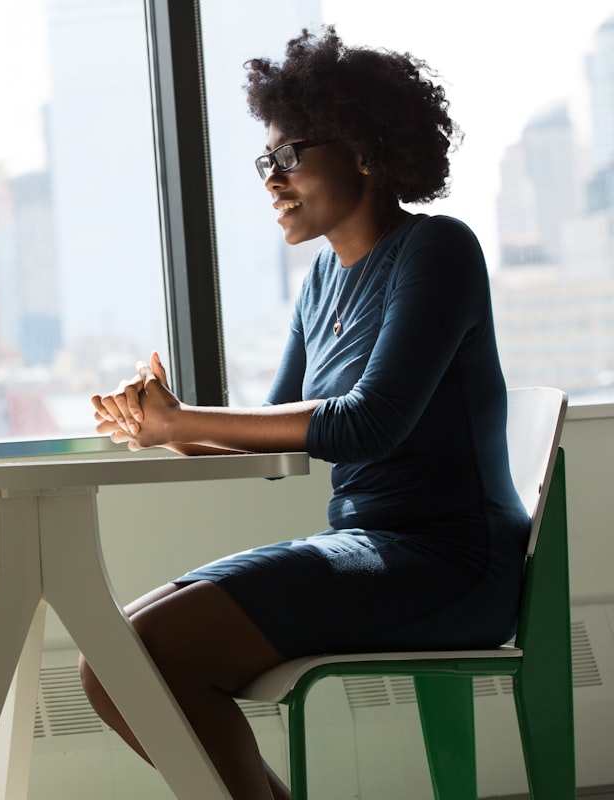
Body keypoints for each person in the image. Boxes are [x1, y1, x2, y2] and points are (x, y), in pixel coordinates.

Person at [83, 27, 528, 800]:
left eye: (289, 157)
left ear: (362, 148)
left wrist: (185, 421)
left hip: (452, 563)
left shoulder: (438, 251)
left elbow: (367, 424)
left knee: (145, 657)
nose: (272, 181)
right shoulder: (322, 278)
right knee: (111, 660)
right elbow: (276, 443)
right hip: (370, 546)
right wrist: (159, 424)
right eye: (268, 162)